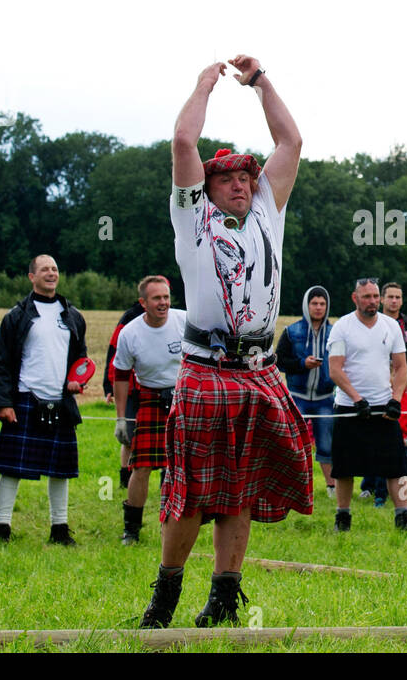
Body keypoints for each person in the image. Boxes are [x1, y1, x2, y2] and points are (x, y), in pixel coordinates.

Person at [139, 56, 312, 630]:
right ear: (207, 189)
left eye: (246, 177)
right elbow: (184, 139)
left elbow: (291, 139)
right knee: (190, 489)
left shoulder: (269, 210)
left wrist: (260, 82)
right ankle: (166, 593)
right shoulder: (192, 218)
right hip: (205, 365)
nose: (239, 184)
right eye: (226, 178)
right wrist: (204, 84)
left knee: (239, 489)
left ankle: (223, 595)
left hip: (259, 369)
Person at [0, 254, 89, 544]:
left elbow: (80, 359)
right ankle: (2, 528)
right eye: (44, 269)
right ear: (31, 276)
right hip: (24, 398)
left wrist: (77, 380)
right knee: (11, 468)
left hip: (60, 401)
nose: (51, 273)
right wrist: (3, 402)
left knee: (61, 470)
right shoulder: (17, 316)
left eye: (55, 269)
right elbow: (2, 362)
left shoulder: (73, 316)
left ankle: (59, 529)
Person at [327, 278, 407, 533]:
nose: (373, 302)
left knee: (397, 465)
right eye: (366, 297)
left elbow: (401, 367)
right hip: (349, 406)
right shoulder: (342, 328)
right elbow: (335, 370)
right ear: (354, 298)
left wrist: (396, 400)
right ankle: (342, 518)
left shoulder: (391, 326)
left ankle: (404, 515)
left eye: (376, 296)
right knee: (344, 467)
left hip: (383, 408)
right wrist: (356, 398)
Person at [112, 275, 187, 544]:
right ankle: (131, 530)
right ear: (143, 302)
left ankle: (179, 522)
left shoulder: (185, 321)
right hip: (150, 399)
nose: (163, 303)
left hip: (184, 398)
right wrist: (121, 418)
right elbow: (120, 376)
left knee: (184, 466)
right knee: (141, 467)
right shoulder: (130, 333)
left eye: (166, 297)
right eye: (157, 298)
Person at [362, 281, 407, 501]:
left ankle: (400, 493)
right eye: (390, 297)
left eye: (398, 297)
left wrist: (406, 387)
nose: (394, 301)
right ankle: (369, 486)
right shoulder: (367, 324)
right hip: (373, 392)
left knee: (396, 443)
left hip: (403, 391)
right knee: (373, 439)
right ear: (382, 299)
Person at [276, 285, 337, 498]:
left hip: (325, 397)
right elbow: (279, 361)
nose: (318, 308)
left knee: (327, 443)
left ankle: (331, 487)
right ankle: (289, 485)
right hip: (297, 396)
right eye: (314, 303)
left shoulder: (335, 332)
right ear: (307, 305)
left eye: (322, 304)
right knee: (291, 443)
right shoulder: (291, 332)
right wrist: (303, 364)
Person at [103, 293, 147, 490]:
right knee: (128, 436)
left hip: (157, 390)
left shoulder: (171, 320)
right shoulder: (129, 319)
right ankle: (123, 480)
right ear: (143, 299)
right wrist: (108, 385)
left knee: (166, 439)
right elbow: (113, 353)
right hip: (130, 388)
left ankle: (167, 484)